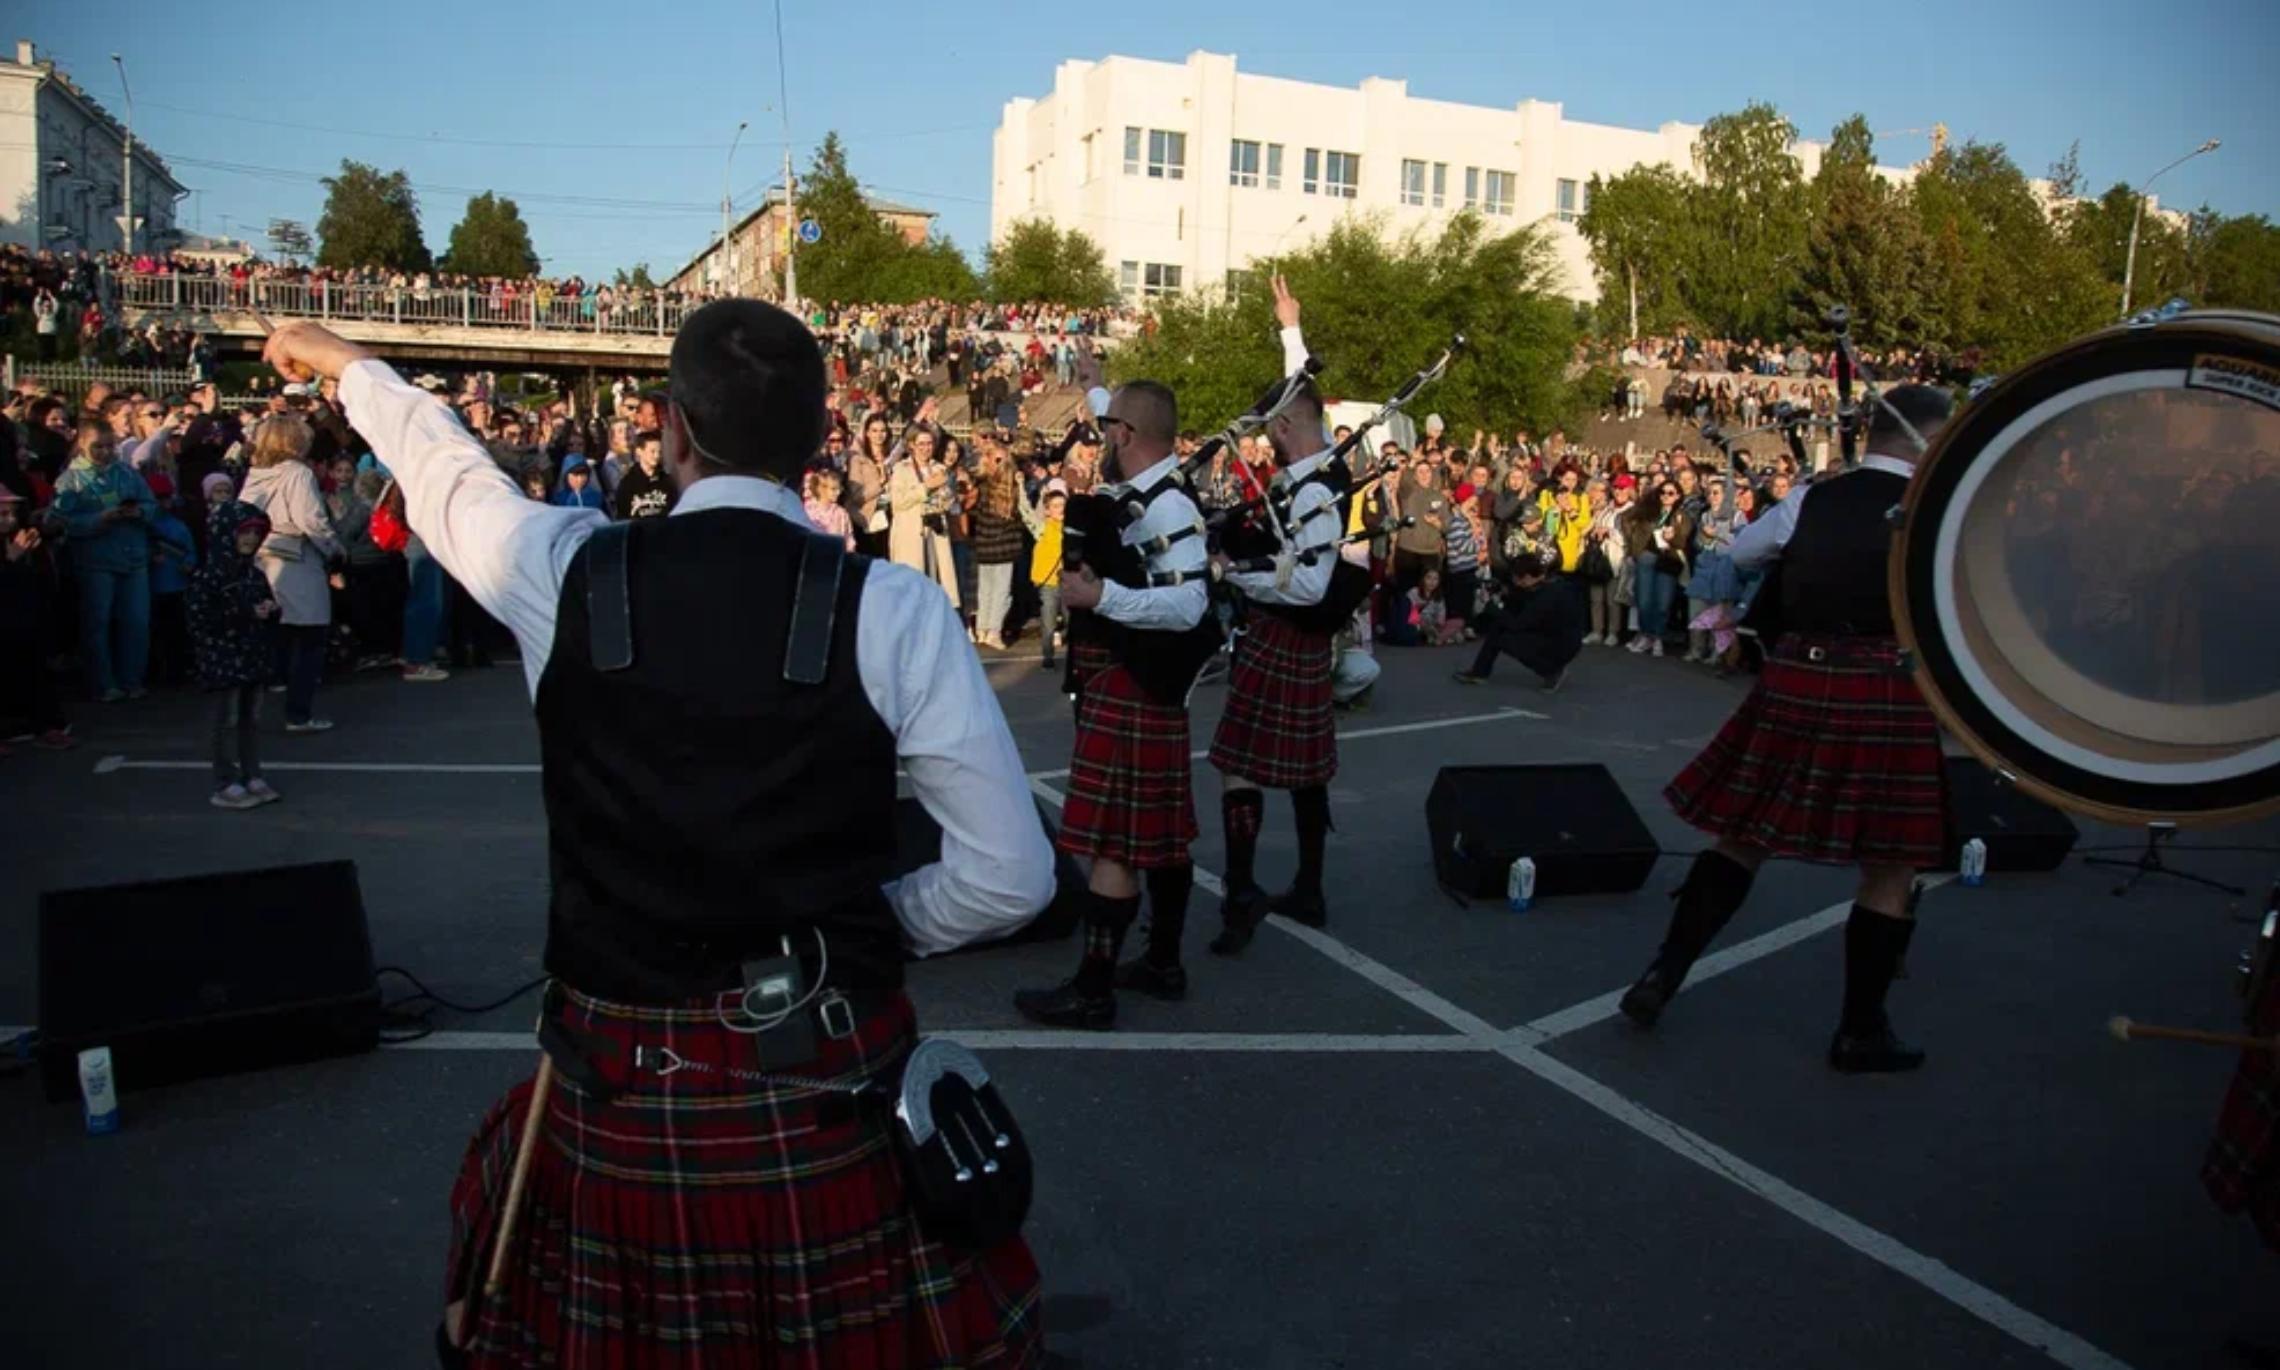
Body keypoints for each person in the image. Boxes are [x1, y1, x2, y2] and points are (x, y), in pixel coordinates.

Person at [261, 306, 1053, 1367]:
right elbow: (1009, 876)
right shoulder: (896, 607)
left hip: (623, 1076)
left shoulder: (567, 568)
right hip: (824, 1074)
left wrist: (355, 368)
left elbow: (449, 476)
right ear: (820, 437)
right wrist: (881, 920)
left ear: (673, 430)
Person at [1617, 386, 1958, 1073]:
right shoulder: (1944, 510)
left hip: (1800, 675)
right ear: (1932, 439)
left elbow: (1743, 555)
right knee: (1892, 865)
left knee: (1741, 838)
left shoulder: (1815, 497)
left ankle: (1661, 976)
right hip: (1889, 685)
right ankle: (1860, 1030)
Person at [1014, 379, 1210, 1030]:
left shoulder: (1170, 508)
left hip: (1135, 679)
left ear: (1125, 436)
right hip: (1134, 682)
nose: (1101, 440)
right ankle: (1162, 962)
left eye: (1108, 430)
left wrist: (1103, 602)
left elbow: (1189, 607)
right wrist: (1096, 379)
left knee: (1115, 849)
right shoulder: (1141, 495)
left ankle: (1094, 991)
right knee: (1157, 838)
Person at [240, 415, 346, 733]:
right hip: (296, 558)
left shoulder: (255, 474)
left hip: (261, 557)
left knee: (272, 639)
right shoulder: (298, 473)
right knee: (309, 639)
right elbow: (310, 519)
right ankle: (299, 713)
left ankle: (249, 710)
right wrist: (335, 550)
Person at [52, 420, 156, 701]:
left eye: (110, 446)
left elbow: (151, 505)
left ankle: (132, 679)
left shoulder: (127, 474)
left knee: (136, 621)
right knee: (97, 623)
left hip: (133, 556)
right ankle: (103, 683)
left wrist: (139, 513)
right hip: (95, 560)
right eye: (97, 447)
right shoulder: (70, 479)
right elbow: (63, 522)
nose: (105, 452)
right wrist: (99, 519)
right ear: (82, 445)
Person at [190, 501, 282, 809]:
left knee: (250, 720)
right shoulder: (208, 574)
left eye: (257, 532)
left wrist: (270, 610)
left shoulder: (254, 573)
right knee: (225, 722)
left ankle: (252, 773)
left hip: (252, 657)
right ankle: (224, 781)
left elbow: (266, 604)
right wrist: (245, 613)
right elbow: (200, 619)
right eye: (244, 532)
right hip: (223, 659)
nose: (252, 539)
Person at [0, 492, 73, 752]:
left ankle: (46, 727)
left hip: (25, 623)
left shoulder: (24, 539)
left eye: (12, 513)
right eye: (3, 513)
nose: (9, 519)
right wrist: (10, 559)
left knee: (35, 671)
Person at [1453, 551, 1585, 690]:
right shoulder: (1550, 584)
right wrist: (1505, 594)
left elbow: (1518, 624)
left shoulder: (1547, 596)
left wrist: (1491, 608)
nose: (1514, 581)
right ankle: (1479, 672)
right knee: (1499, 627)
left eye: (1515, 578)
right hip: (1556, 634)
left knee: (1507, 639)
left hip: (1561, 643)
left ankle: (1551, 671)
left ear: (1527, 577)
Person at [1027, 486, 1066, 669]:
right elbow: (1026, 512)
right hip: (1049, 583)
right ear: (1048, 510)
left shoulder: (1071, 528)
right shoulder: (1043, 528)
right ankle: (1048, 655)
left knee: (1073, 621)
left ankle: (1073, 654)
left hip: (1069, 582)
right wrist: (1019, 487)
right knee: (1048, 623)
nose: (1061, 509)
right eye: (1056, 506)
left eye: (1063, 505)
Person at [613, 429, 674, 520]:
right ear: (639, 452)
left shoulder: (667, 481)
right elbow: (622, 517)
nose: (657, 456)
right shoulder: (627, 484)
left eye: (659, 452)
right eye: (652, 451)